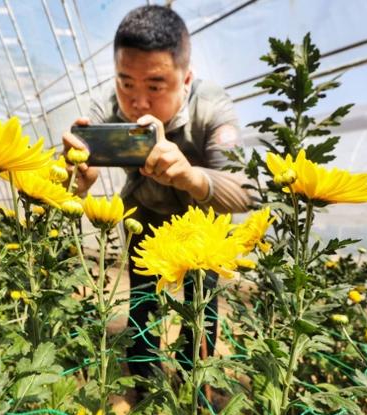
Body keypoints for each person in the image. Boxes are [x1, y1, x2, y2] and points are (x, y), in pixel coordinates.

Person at [62, 5, 252, 382]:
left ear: (186, 79)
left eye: (154, 86)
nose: (138, 102)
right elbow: (72, 168)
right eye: (126, 83)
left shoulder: (211, 106)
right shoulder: (108, 106)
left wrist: (189, 176)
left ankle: (192, 383)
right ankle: (143, 381)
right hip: (144, 218)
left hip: (204, 231)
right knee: (143, 298)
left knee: (202, 307)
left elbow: (245, 192)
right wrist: (75, 179)